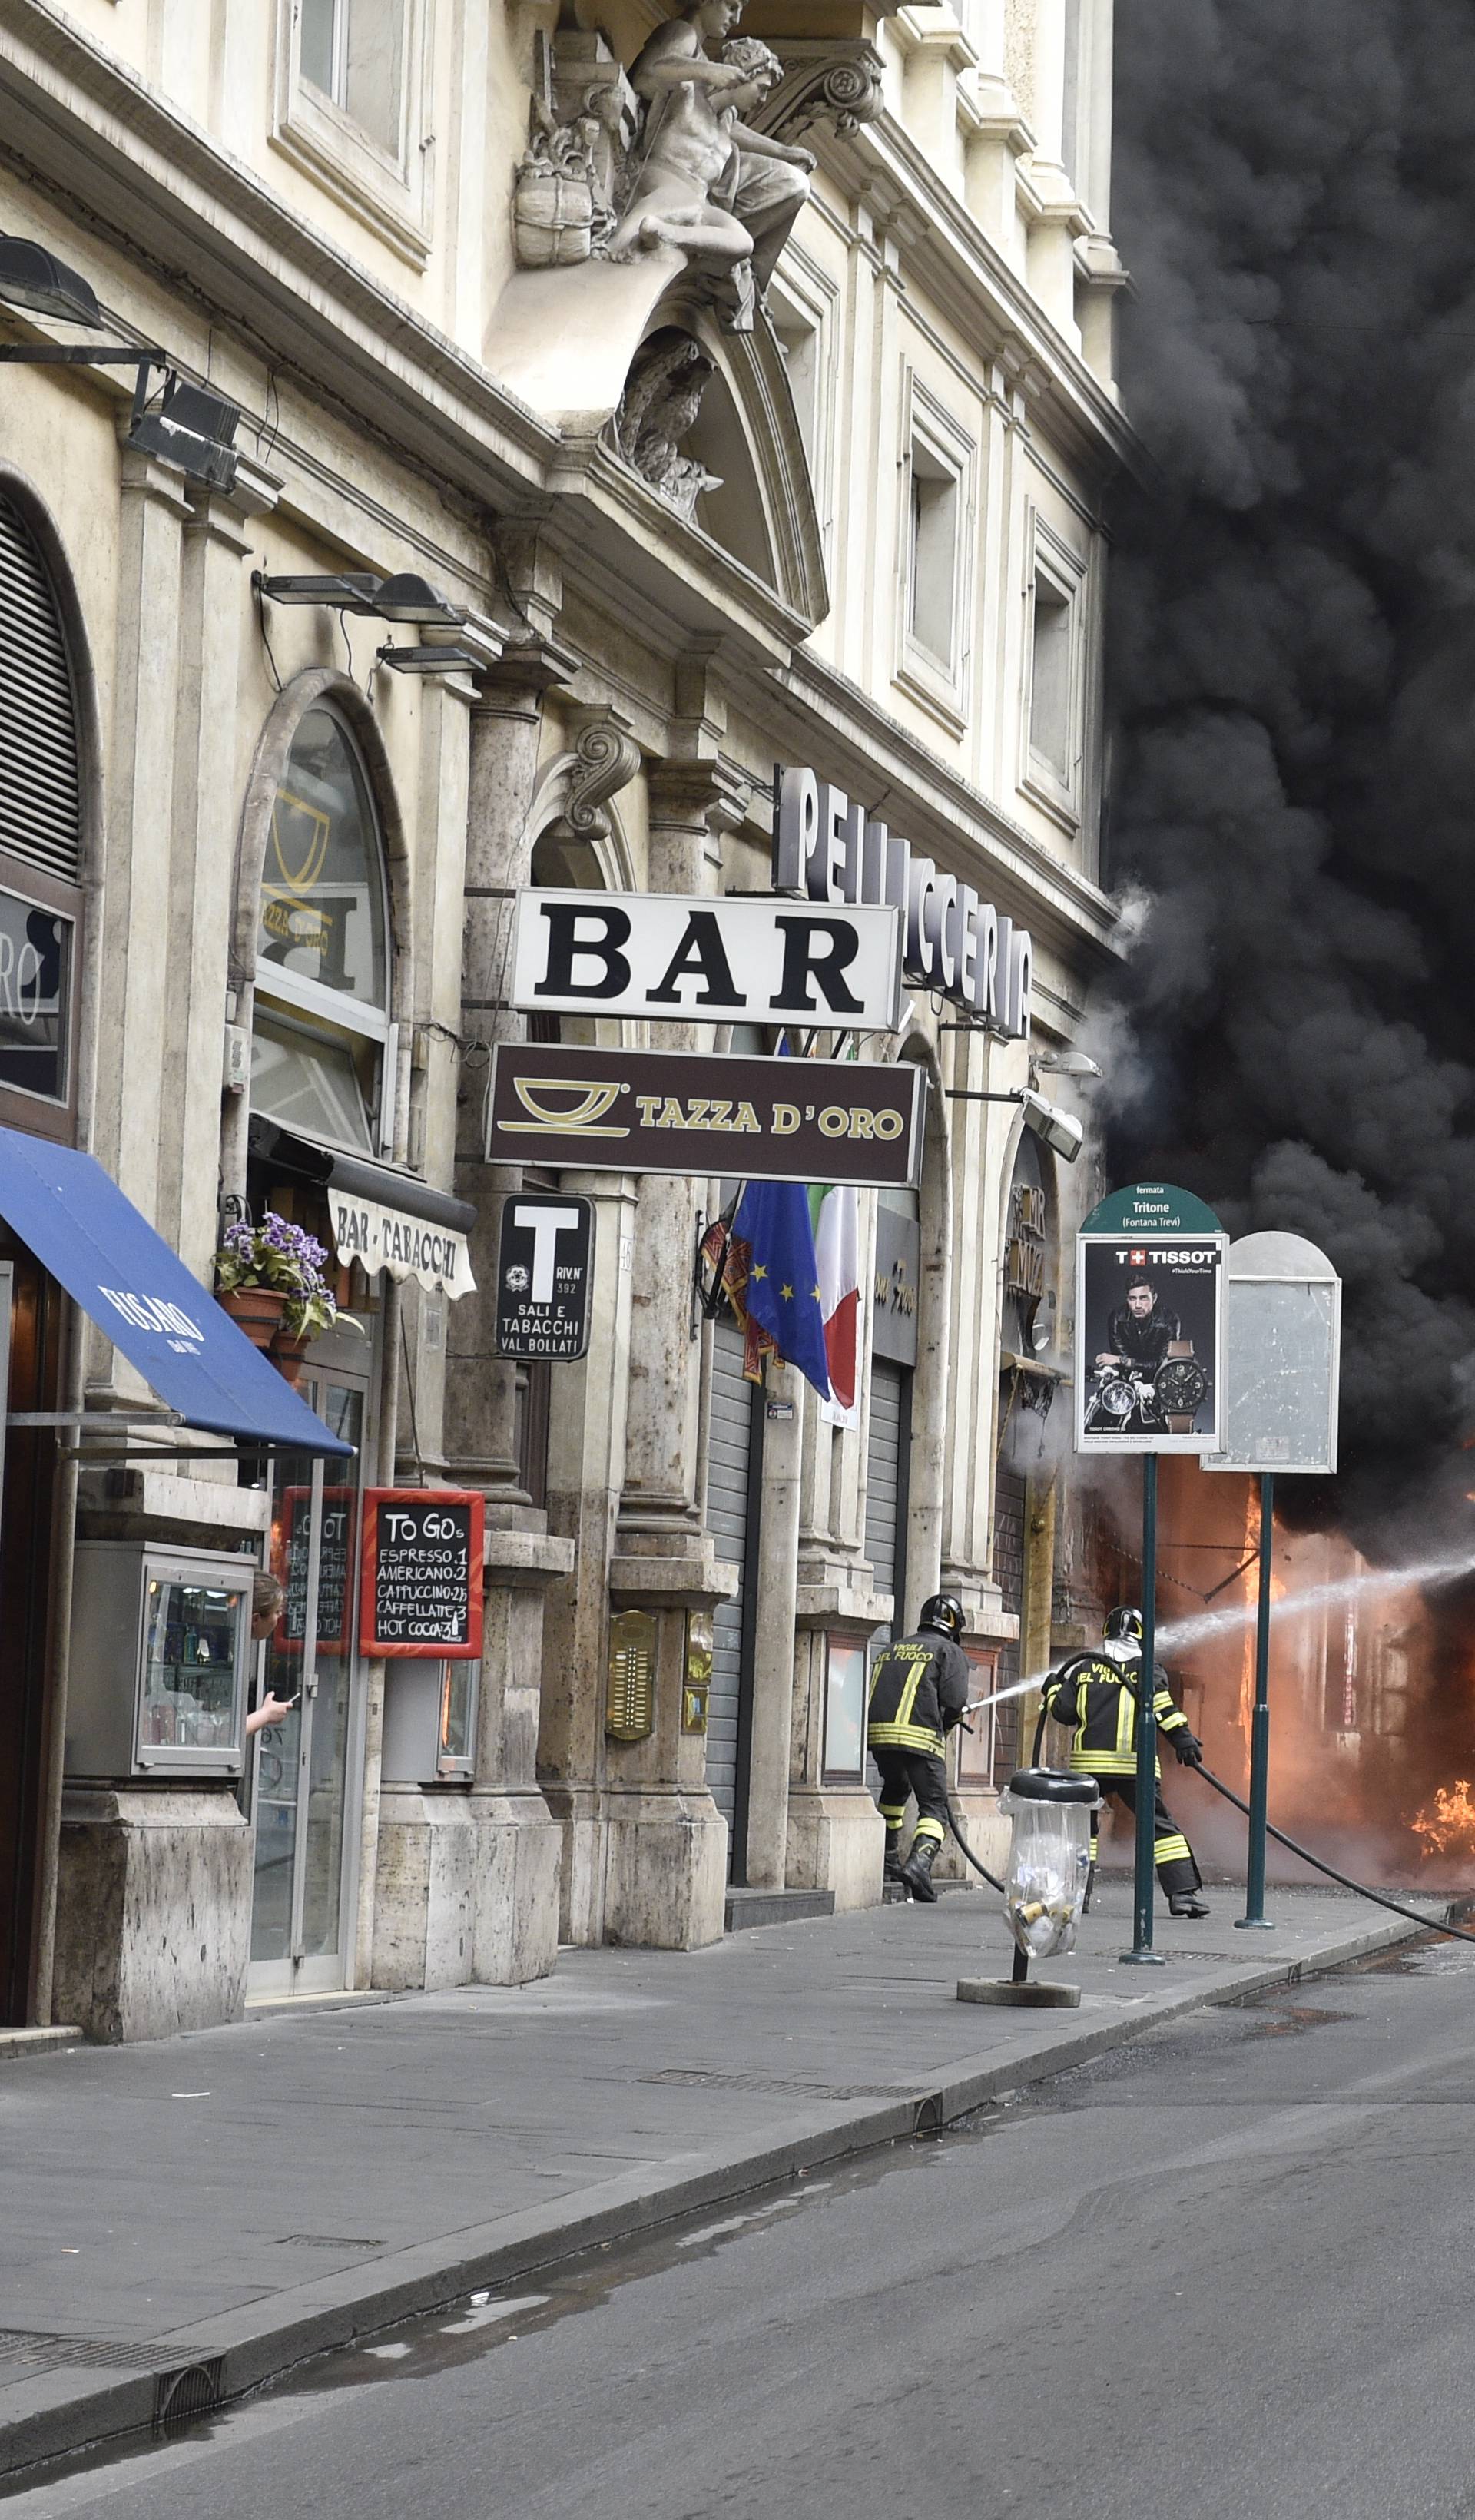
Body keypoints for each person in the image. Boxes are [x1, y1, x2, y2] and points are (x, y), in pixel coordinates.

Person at [611, 0, 815, 325]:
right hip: (666, 181)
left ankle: (681, 242)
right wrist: (709, 71)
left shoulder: (723, 117)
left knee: (745, 240)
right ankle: (661, 234)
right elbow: (651, 77)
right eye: (731, 6)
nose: (737, 18)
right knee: (620, 250)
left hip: (696, 198)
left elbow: (730, 124)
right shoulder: (684, 41)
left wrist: (784, 151)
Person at [1042, 1606, 1209, 1918]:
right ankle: (1183, 1895)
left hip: (1089, 1767)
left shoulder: (1084, 1668)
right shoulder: (1148, 1668)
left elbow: (1063, 1712)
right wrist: (1183, 1740)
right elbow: (1164, 1710)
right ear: (1142, 1635)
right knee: (1160, 1827)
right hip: (1136, 1766)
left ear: (1106, 1631)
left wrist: (1051, 1689)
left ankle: (1078, 1896)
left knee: (1082, 1830)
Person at [867, 1593, 970, 1904]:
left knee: (895, 1792)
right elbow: (953, 1703)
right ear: (954, 1625)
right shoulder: (949, 1651)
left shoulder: (893, 1647)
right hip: (920, 1740)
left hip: (881, 1739)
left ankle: (888, 1860)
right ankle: (919, 1865)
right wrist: (949, 1724)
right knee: (935, 1808)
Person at [244, 1570, 295, 1738]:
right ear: (256, 1619)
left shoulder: (241, 1646)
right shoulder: (235, 1652)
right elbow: (227, 1736)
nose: (280, 1616)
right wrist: (265, 1715)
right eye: (277, 1612)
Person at [1095, 1275, 1181, 1374]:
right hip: (1130, 1380)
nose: (1138, 1305)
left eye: (1143, 1298)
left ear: (1154, 1298)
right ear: (1127, 1299)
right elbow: (1123, 1367)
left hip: (1160, 1381)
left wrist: (1121, 1360)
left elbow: (1162, 1365)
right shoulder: (1117, 1318)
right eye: (1132, 1299)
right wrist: (1123, 1362)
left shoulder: (1169, 1319)